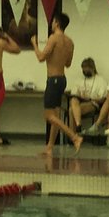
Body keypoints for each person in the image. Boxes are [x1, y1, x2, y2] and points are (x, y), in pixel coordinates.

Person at [31, 12, 81, 154]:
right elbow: (68, 63)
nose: (51, 24)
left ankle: (74, 137)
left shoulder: (53, 39)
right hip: (62, 80)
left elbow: (41, 57)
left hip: (53, 80)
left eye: (53, 21)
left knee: (48, 116)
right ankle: (50, 148)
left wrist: (34, 44)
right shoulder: (70, 42)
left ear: (57, 23)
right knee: (56, 115)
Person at [68, 58, 106, 133]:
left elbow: (103, 98)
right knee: (73, 100)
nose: (85, 70)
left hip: (93, 103)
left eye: (87, 68)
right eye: (83, 68)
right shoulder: (79, 80)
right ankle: (78, 125)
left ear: (93, 68)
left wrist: (90, 99)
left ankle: (73, 136)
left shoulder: (100, 80)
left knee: (71, 110)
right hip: (80, 102)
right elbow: (74, 94)